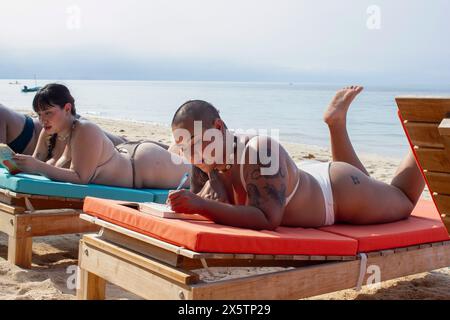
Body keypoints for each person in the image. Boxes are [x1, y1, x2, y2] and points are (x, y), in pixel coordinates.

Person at [167, 86, 425, 230]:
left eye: (194, 143)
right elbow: (208, 205)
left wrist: (200, 205)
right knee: (373, 185)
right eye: (182, 148)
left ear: (219, 127)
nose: (190, 154)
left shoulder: (260, 151)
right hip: (304, 180)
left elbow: (267, 219)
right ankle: (336, 124)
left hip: (336, 194)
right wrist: (195, 199)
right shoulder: (204, 161)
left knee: (402, 198)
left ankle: (427, 128)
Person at [13, 83, 191, 189]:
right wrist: (15, 163)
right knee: (183, 157)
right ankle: (178, 148)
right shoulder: (48, 132)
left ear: (67, 109)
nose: (42, 119)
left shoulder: (84, 130)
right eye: (39, 114)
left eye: (48, 113)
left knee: (198, 172)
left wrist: (38, 166)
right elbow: (36, 162)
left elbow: (81, 178)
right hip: (127, 155)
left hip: (145, 166)